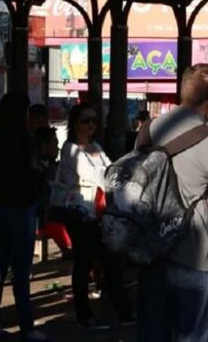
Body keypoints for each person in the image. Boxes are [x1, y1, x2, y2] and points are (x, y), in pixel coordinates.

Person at [137, 64, 208, 342]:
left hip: (151, 246)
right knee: (194, 333)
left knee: (153, 331)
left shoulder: (149, 129)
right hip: (193, 251)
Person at [58, 103, 134, 329]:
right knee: (85, 261)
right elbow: (100, 176)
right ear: (74, 123)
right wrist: (113, 175)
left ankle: (123, 311)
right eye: (85, 120)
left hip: (100, 212)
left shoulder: (96, 146)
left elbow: (110, 172)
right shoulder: (70, 149)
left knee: (111, 260)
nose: (90, 124)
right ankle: (85, 315)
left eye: (93, 120)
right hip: (80, 213)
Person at [0, 92, 47, 342]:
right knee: (21, 270)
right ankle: (27, 327)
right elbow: (27, 170)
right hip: (20, 206)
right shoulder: (19, 136)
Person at [33, 127, 72, 260]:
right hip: (40, 220)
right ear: (44, 147)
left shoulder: (51, 167)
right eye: (55, 145)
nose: (58, 149)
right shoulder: (37, 171)